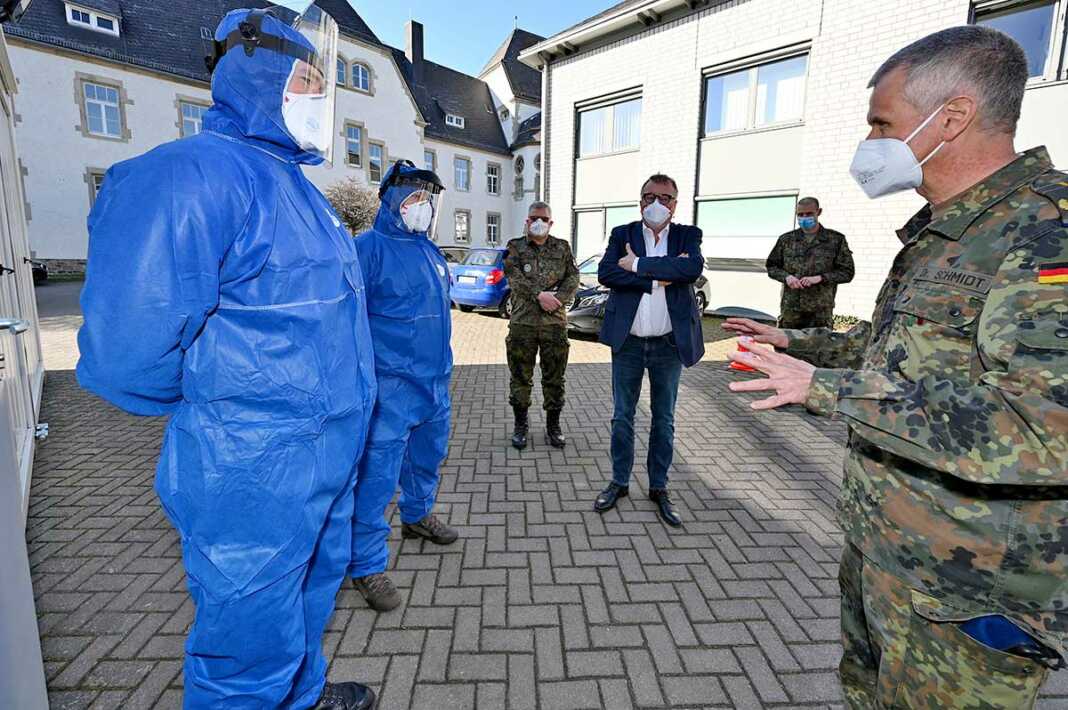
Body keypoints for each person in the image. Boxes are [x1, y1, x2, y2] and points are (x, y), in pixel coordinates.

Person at [724, 26, 1068, 709]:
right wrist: (798, 346)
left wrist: (825, 390)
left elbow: (1043, 428)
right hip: (887, 552)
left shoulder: (1045, 232)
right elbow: (895, 353)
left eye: (882, 123)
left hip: (960, 589)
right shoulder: (947, 231)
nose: (870, 143)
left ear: (952, 118)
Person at [77, 6, 378, 709]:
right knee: (244, 641)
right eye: (307, 79)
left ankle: (300, 696)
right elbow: (128, 348)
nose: (319, 99)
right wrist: (225, 415)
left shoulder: (298, 190)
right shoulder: (193, 175)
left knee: (302, 602)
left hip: (324, 458)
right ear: (259, 69)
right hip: (253, 467)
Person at [347, 160, 459, 612]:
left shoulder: (429, 251)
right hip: (390, 384)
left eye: (427, 200)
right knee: (377, 476)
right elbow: (346, 318)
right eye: (414, 198)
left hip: (434, 380)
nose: (423, 207)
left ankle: (416, 517)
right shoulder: (367, 248)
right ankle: (366, 564)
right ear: (392, 200)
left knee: (428, 457)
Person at [593, 174, 704, 528]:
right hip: (628, 343)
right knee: (622, 416)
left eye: (666, 197)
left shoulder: (689, 236)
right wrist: (659, 276)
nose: (657, 203)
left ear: (675, 202)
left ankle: (659, 486)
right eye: (650, 196)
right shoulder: (622, 234)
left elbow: (692, 268)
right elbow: (607, 273)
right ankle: (619, 482)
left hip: (668, 345)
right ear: (640, 200)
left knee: (664, 419)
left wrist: (638, 265)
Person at [503, 201, 580, 449]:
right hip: (523, 324)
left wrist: (557, 299)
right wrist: (539, 294)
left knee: (554, 379)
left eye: (543, 219)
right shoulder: (514, 247)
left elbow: (573, 277)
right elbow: (513, 277)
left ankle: (553, 427)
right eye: (534, 218)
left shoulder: (562, 247)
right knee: (520, 378)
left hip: (554, 324)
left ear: (550, 222)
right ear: (527, 221)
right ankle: (520, 426)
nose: (538, 222)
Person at [765, 197, 854, 329]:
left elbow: (847, 273)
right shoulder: (786, 240)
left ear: (818, 212)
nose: (804, 217)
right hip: (791, 310)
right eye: (800, 215)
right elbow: (772, 266)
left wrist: (820, 278)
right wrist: (787, 277)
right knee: (785, 346)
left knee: (820, 348)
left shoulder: (835, 240)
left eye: (809, 214)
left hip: (820, 311)